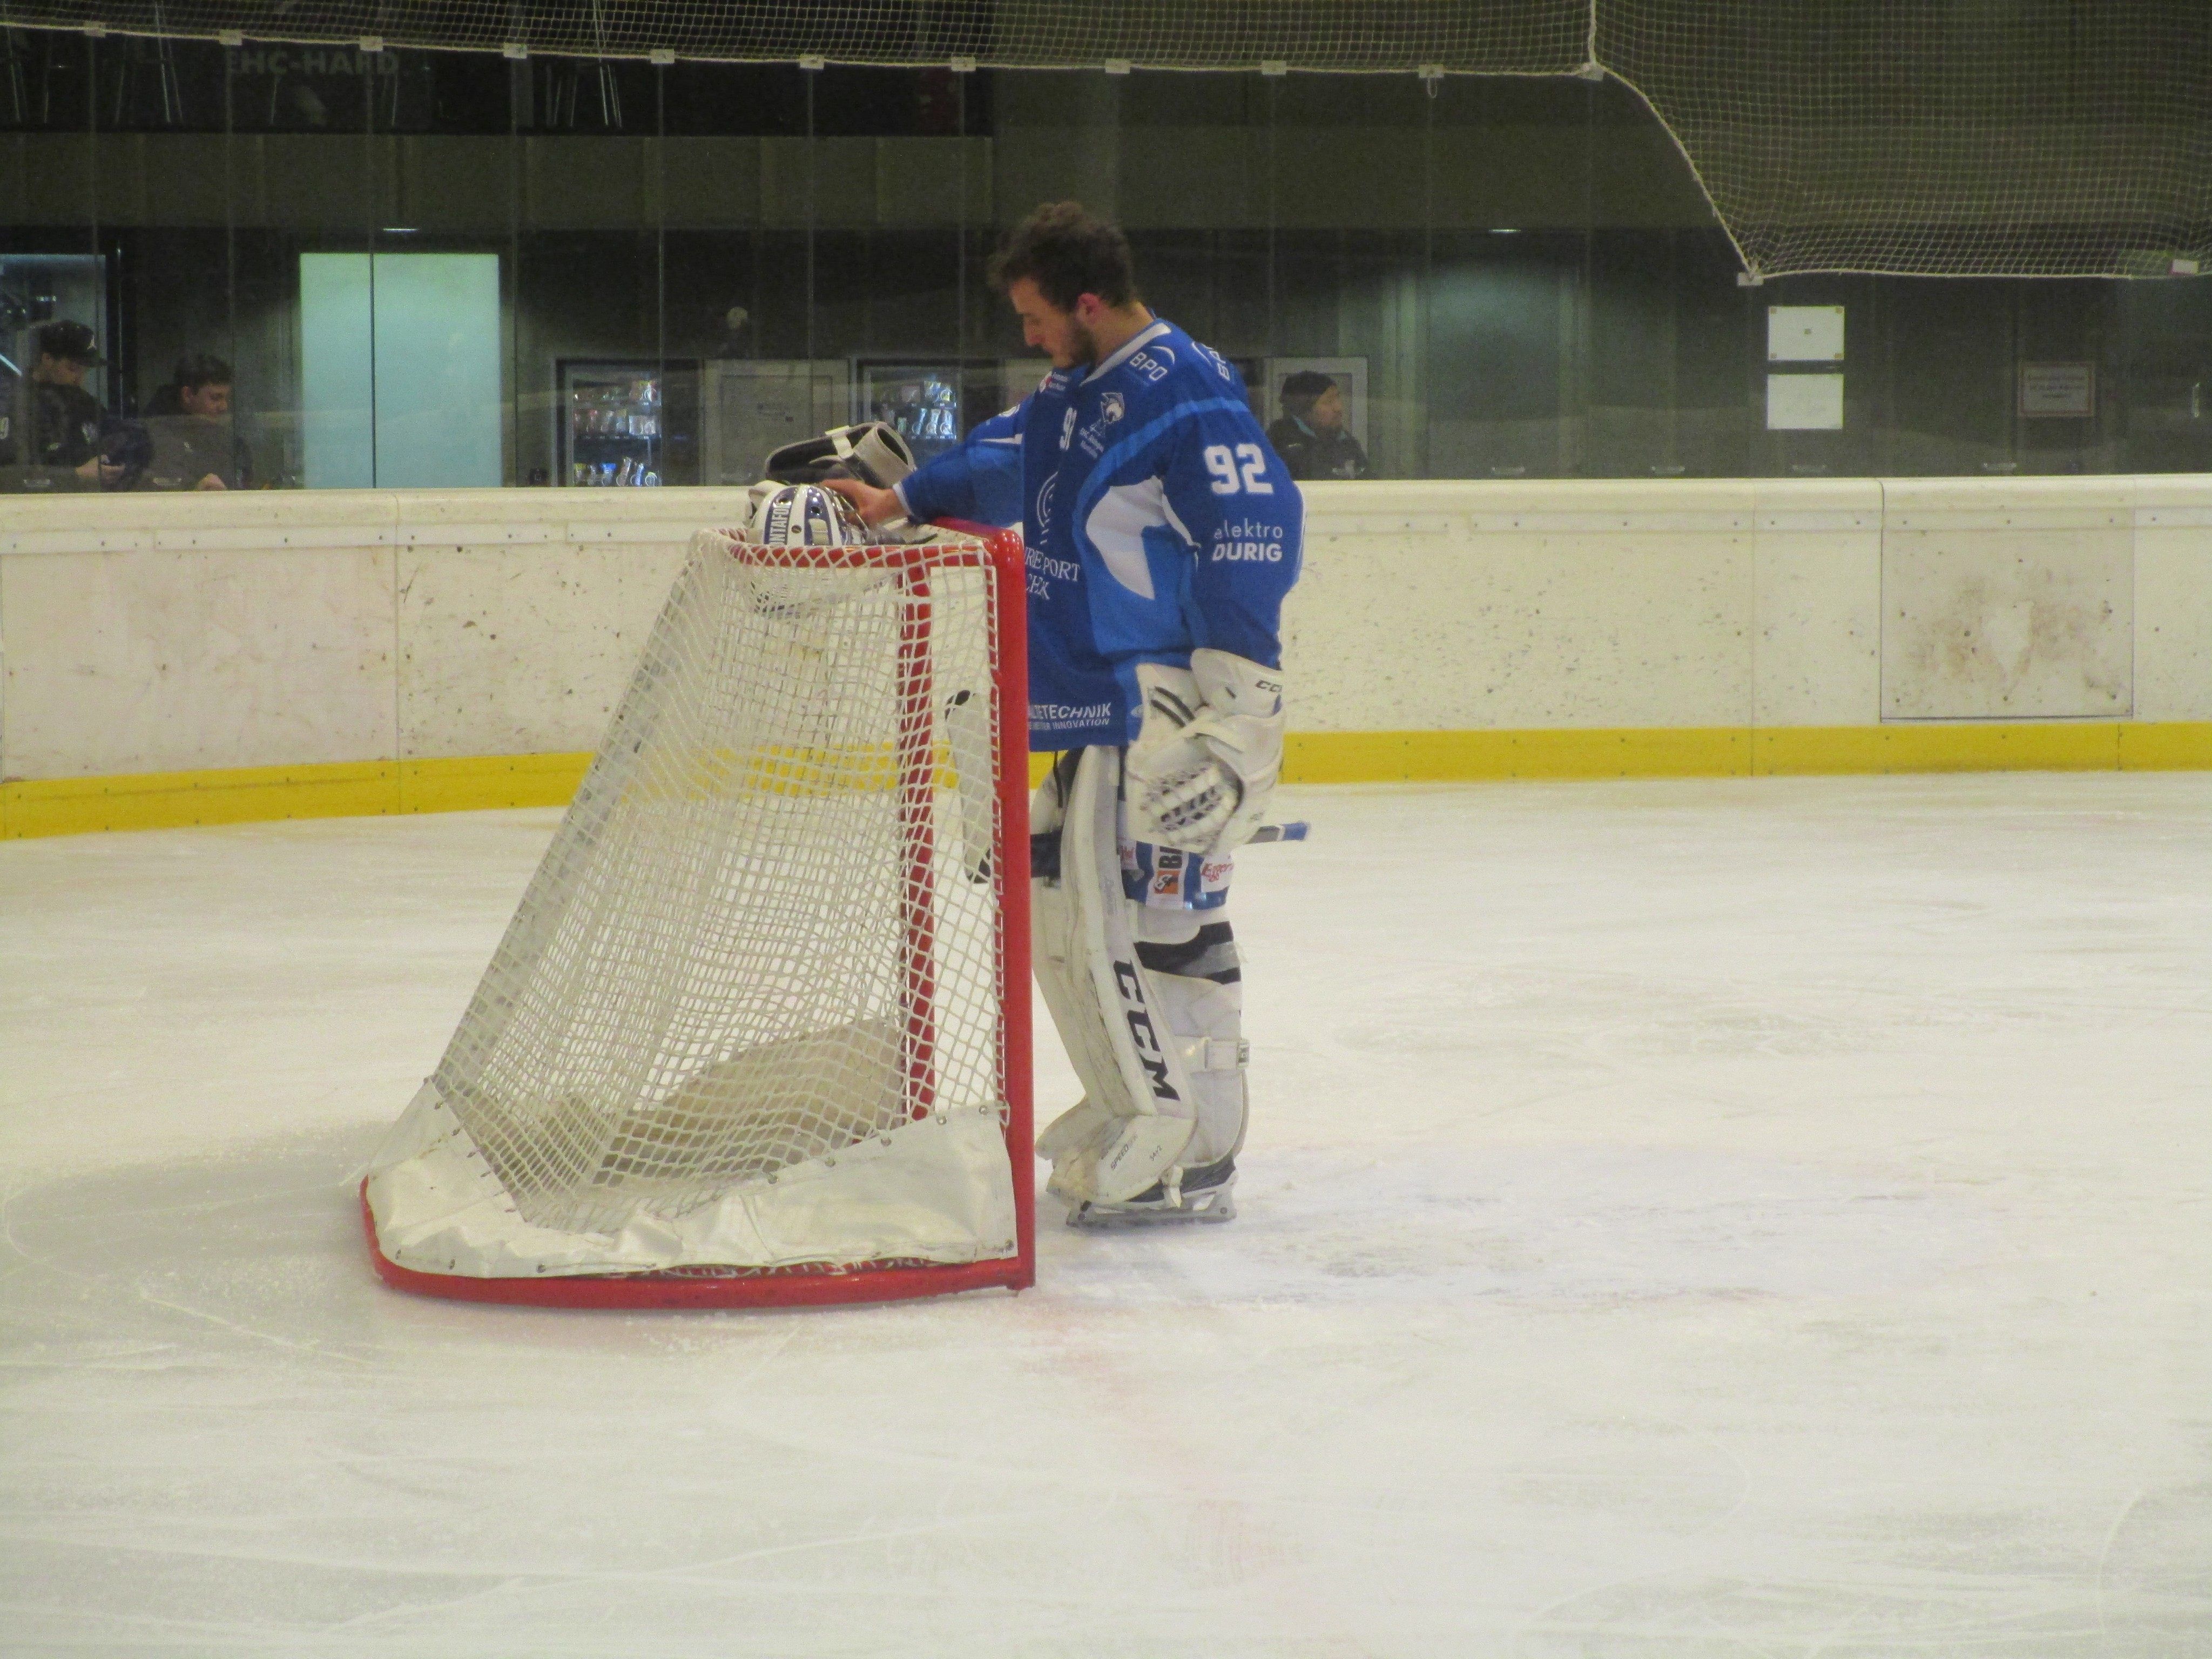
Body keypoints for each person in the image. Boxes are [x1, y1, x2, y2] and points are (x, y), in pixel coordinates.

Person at [829, 201, 1304, 1228]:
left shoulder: (1185, 392)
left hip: (1159, 705)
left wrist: (1240, 715)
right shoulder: (1080, 385)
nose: (1030, 335)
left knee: (1169, 917)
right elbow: (1012, 456)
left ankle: (1203, 1144)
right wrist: (902, 499)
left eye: (1040, 316)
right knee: (1077, 911)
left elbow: (1256, 528)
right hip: (1092, 699)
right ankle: (1136, 1103)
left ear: (1088, 302)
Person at [19, 321, 123, 487]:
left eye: (85, 371)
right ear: (47, 359)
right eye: (73, 369)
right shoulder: (13, 404)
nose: (80, 379)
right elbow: (7, 475)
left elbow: (118, 439)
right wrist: (76, 475)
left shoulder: (86, 403)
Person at [139, 353, 252, 490]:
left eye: (226, 398)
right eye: (215, 398)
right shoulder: (152, 439)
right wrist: (193, 491)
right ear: (188, 395)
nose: (224, 407)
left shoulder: (231, 442)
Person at [1267, 370, 1370, 481]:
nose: (1339, 408)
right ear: (1305, 410)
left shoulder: (1347, 443)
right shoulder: (1281, 444)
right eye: (1329, 402)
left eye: (1338, 398)